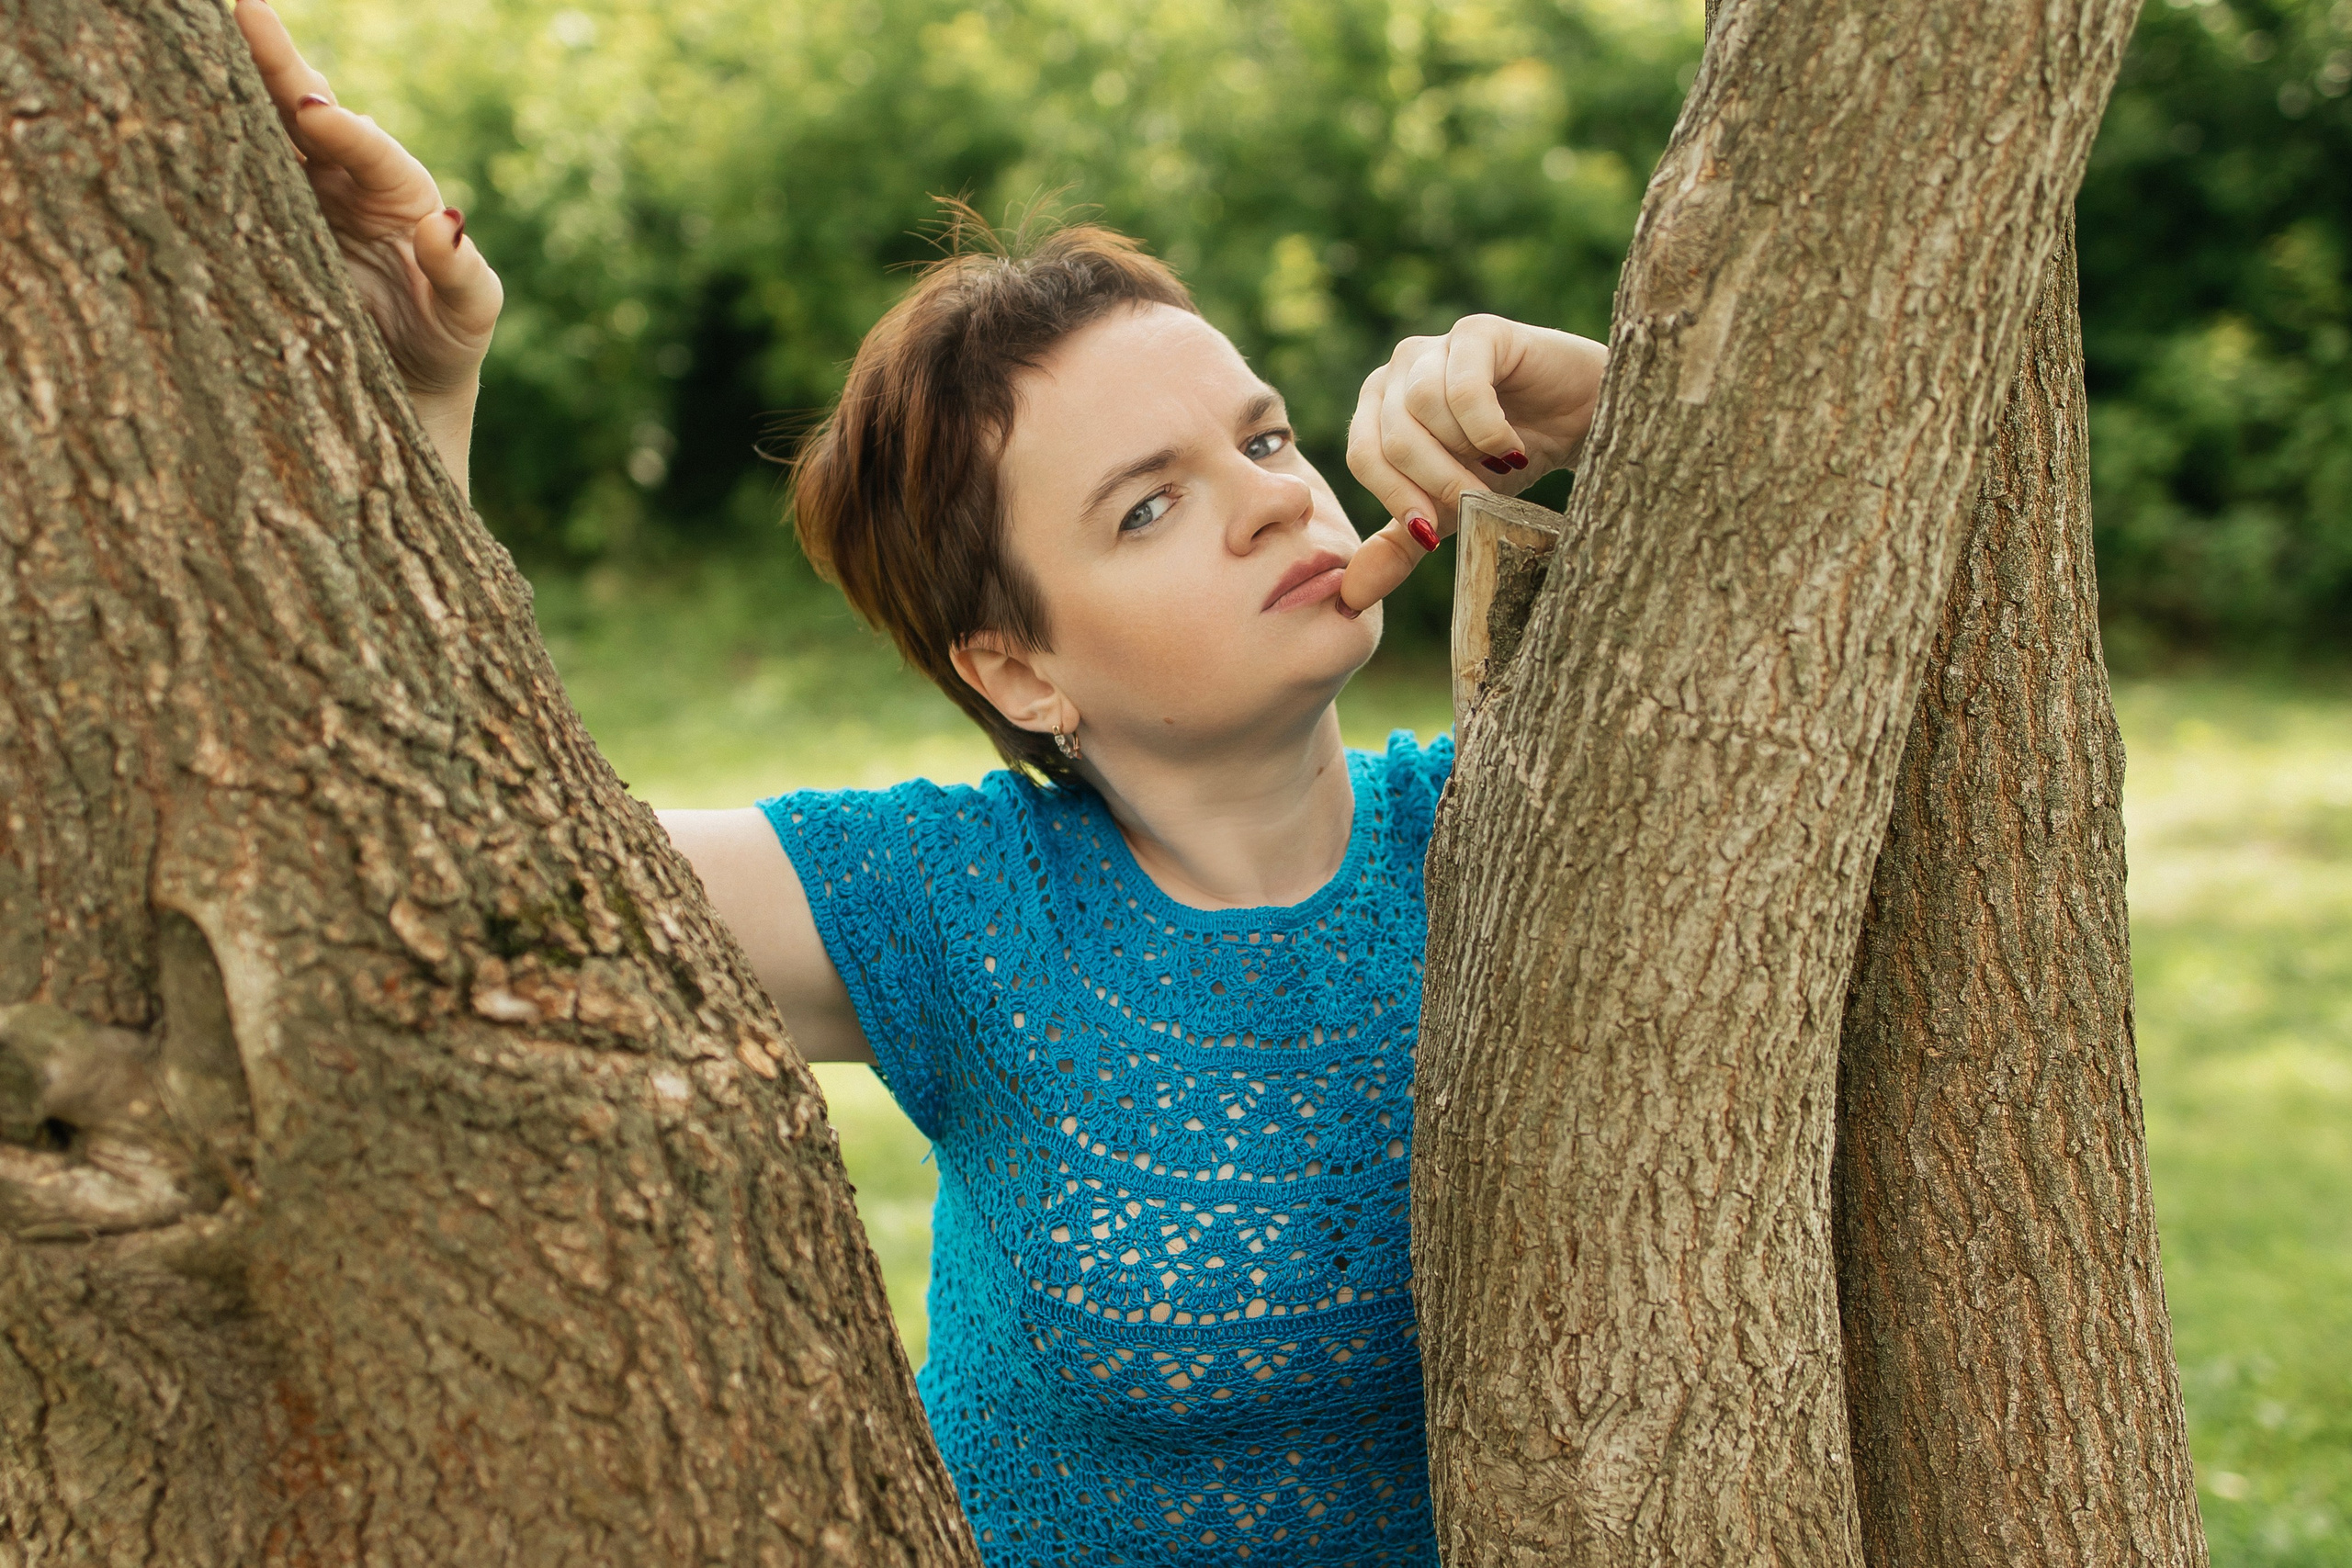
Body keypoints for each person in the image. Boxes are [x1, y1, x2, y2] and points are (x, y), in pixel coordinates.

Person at [232, 4, 1606, 1561]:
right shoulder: (954, 903)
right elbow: (476, 861)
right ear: (1017, 667)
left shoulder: (1520, 832)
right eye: (1148, 508)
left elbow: (1850, 713)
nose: (1270, 505)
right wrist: (424, 401)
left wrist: (1620, 415)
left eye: (1263, 436)